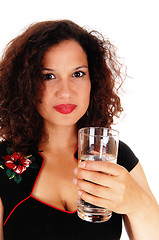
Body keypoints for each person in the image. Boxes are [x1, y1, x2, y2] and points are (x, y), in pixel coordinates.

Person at [0, 20, 158, 240]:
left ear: (94, 80)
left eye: (78, 74)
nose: (65, 92)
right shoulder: (2, 163)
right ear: (25, 84)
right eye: (48, 76)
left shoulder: (115, 157)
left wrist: (137, 203)